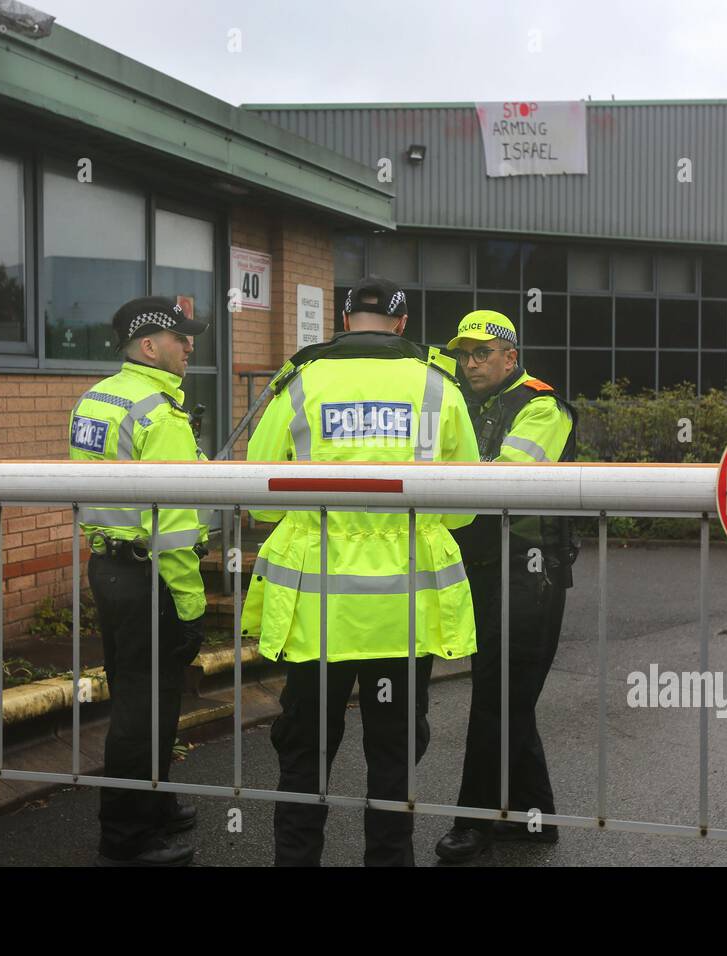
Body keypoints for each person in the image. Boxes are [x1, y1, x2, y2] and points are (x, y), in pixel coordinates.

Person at [241, 275, 480, 866]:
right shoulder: (436, 384)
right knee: (394, 755)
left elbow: (260, 493)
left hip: (317, 613)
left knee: (305, 754)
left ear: (344, 321)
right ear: (402, 324)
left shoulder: (300, 380)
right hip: (401, 611)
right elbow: (465, 502)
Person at [68, 296, 210, 867]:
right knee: (146, 708)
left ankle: (157, 805)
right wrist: (193, 607)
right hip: (149, 576)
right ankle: (126, 838)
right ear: (150, 345)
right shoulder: (159, 412)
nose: (191, 346)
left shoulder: (97, 397)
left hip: (107, 566)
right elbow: (174, 527)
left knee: (137, 695)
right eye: (182, 338)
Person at [435, 309, 578, 863]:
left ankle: (473, 823)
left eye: (481, 354)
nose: (469, 364)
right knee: (508, 694)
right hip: (490, 568)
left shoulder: (542, 405)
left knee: (498, 697)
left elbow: (502, 482)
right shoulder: (469, 402)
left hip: (532, 571)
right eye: (463, 355)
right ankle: (535, 820)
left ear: (510, 356)